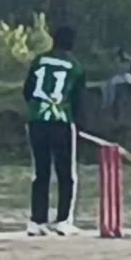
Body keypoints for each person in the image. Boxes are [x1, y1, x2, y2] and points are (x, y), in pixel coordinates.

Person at [22, 26, 88, 237]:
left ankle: (37, 221)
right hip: (61, 122)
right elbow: (78, 102)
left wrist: (38, 110)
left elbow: (27, 91)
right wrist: (77, 122)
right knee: (66, 174)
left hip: (36, 121)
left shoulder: (39, 60)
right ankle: (63, 220)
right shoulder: (76, 67)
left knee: (40, 173)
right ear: (72, 43)